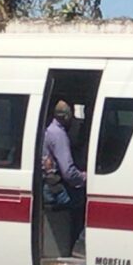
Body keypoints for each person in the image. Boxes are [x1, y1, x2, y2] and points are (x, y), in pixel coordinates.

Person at [43, 100, 87, 243]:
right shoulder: (59, 135)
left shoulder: (50, 130)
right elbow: (68, 173)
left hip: (48, 186)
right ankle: (78, 244)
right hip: (54, 191)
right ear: (67, 117)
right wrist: (84, 177)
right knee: (85, 201)